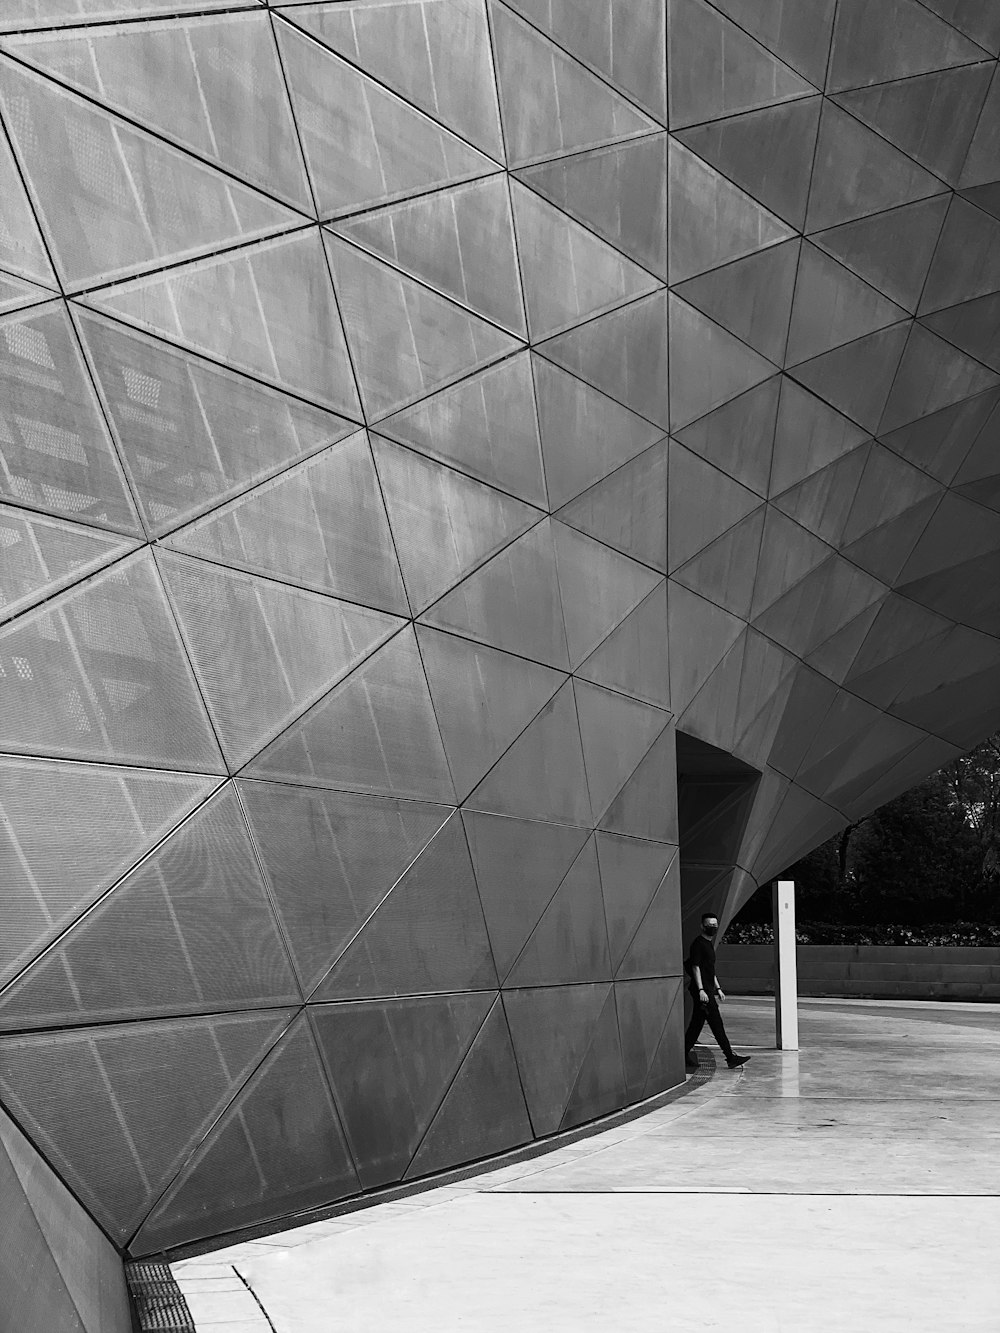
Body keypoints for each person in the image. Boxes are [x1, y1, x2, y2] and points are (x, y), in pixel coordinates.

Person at [683, 912, 749, 1071]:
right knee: (716, 1024)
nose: (712, 927)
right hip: (703, 993)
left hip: (708, 990)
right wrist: (701, 990)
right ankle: (730, 1057)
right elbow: (695, 967)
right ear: (702, 926)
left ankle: (683, 1054)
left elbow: (710, 970)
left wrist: (718, 988)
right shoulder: (698, 944)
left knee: (696, 1025)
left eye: (714, 925)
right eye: (709, 925)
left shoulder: (709, 944)